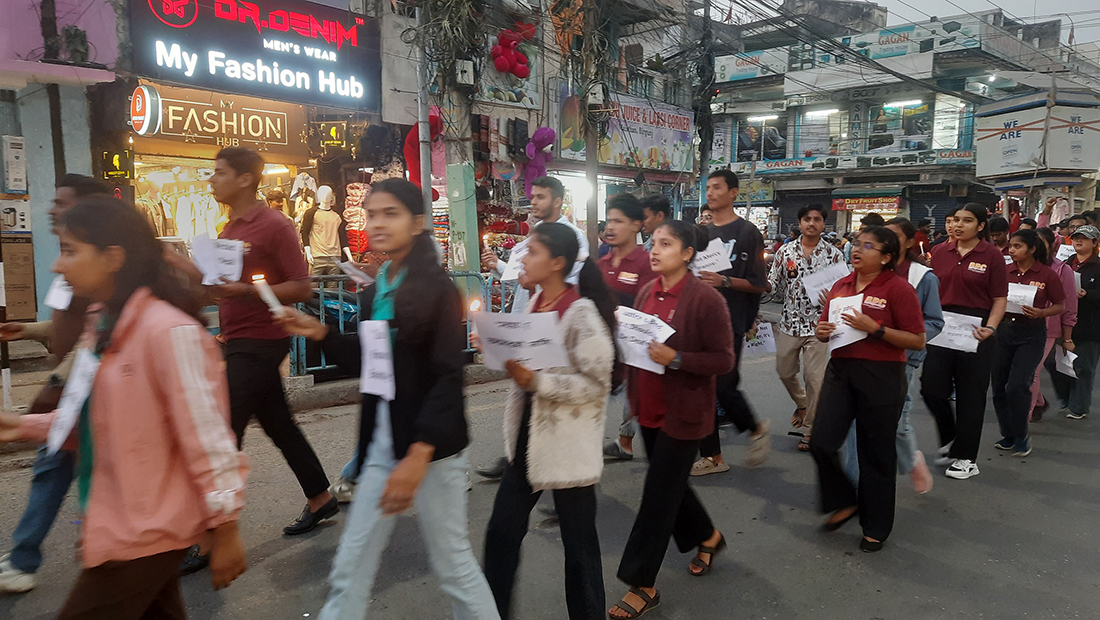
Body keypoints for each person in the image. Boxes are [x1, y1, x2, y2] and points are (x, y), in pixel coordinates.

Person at [0, 196, 249, 616]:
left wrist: (226, 529)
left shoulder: (168, 332)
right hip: (120, 524)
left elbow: (208, 439)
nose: (57, 265)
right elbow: (98, 417)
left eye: (69, 251)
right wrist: (21, 426)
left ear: (113, 257)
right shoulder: (103, 325)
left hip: (147, 532)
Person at [276, 179, 499, 619]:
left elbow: (447, 377)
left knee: (453, 567)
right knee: (351, 565)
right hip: (381, 442)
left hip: (432, 452)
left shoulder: (437, 288)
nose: (377, 223)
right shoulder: (378, 285)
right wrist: (319, 332)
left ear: (417, 223)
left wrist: (418, 454)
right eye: (372, 214)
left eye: (390, 214)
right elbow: (372, 358)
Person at [483, 222, 616, 620]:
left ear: (557, 262)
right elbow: (525, 365)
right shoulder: (536, 303)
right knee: (501, 535)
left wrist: (539, 382)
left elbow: (598, 383)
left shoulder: (580, 314)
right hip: (526, 443)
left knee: (580, 550)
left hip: (567, 451)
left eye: (533, 252)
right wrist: (494, 345)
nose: (523, 258)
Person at [202, 148, 335, 542]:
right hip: (238, 338)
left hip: (262, 340)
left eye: (220, 172)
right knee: (279, 425)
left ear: (245, 178)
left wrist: (246, 291)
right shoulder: (228, 229)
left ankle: (213, 534)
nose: (212, 180)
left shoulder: (275, 225)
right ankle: (321, 497)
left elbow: (301, 286)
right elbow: (225, 287)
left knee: (225, 431)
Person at [609, 221, 733, 619]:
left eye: (666, 244)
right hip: (648, 406)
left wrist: (677, 358)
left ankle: (642, 582)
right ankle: (707, 536)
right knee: (670, 484)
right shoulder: (648, 291)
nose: (655, 250)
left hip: (684, 413)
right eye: (654, 242)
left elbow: (723, 359)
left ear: (687, 253)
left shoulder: (706, 299)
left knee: (658, 494)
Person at [0, 175, 108, 594]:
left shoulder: (96, 261)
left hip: (85, 388)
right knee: (58, 467)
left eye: (61, 203)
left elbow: (96, 332)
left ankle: (25, 558)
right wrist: (26, 330)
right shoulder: (71, 257)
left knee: (62, 467)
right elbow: (66, 325)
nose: (50, 209)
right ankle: (25, 557)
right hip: (73, 387)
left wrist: (56, 380)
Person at [812, 226, 926, 553]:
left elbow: (917, 339)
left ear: (887, 257)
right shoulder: (841, 285)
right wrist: (822, 331)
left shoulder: (898, 289)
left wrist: (876, 328)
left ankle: (876, 526)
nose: (857, 250)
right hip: (841, 371)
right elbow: (824, 329)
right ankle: (846, 500)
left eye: (867, 246)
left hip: (882, 376)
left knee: (875, 454)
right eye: (856, 244)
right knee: (821, 442)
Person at [476, 176, 589, 480]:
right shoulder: (533, 236)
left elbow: (570, 282)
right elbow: (519, 274)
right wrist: (498, 266)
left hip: (553, 326)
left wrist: (536, 282)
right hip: (529, 319)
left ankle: (547, 466)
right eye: (533, 196)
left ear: (557, 201)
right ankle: (519, 458)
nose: (534, 202)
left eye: (541, 197)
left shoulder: (572, 237)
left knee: (548, 396)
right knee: (527, 394)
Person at [842, 218, 943, 494]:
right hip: (860, 359)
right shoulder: (863, 273)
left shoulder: (922, 278)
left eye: (893, 236)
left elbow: (934, 322)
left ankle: (910, 459)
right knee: (854, 422)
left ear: (909, 242)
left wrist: (900, 340)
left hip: (902, 361)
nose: (884, 240)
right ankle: (854, 484)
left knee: (896, 424)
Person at [922, 203, 1008, 480]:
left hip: (976, 330)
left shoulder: (992, 256)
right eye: (956, 219)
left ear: (981, 226)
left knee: (971, 396)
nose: (958, 225)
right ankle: (952, 438)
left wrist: (991, 327)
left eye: (967, 220)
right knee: (931, 388)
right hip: (942, 327)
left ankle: (967, 458)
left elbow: (999, 298)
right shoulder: (939, 251)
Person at [692, 169, 770, 475]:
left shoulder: (748, 232)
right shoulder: (701, 233)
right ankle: (713, 457)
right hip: (700, 318)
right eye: (708, 187)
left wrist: (724, 281)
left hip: (731, 320)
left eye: (717, 187)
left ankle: (755, 427)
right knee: (703, 389)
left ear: (733, 192)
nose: (710, 193)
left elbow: (759, 284)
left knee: (724, 385)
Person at [768, 203, 844, 452]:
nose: (812, 223)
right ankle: (802, 404)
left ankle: (810, 430)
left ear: (823, 224)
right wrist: (759, 282)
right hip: (789, 323)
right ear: (800, 223)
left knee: (815, 379)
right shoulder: (785, 251)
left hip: (819, 327)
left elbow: (845, 289)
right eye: (807, 219)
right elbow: (774, 284)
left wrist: (833, 299)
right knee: (784, 371)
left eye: (817, 219)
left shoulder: (834, 254)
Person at [991, 229, 1065, 457]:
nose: (1012, 251)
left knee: (1017, 386)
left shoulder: (1047, 274)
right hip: (1004, 332)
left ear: (1032, 249)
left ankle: (1021, 434)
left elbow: (1060, 305)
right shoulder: (1005, 272)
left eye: (1017, 246)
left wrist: (1041, 312)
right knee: (999, 386)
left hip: (1031, 335)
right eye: (1011, 246)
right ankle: (1008, 434)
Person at [600, 193, 658, 461]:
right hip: (602, 349)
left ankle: (627, 442)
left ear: (636, 225)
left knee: (635, 398)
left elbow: (649, 310)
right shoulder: (600, 263)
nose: (610, 227)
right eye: (609, 221)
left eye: (618, 221)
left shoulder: (647, 263)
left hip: (634, 348)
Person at [1048, 225, 1100, 420]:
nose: (1078, 241)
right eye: (1076, 237)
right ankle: (1066, 399)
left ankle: (1079, 407)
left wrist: (1088, 295)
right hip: (1063, 322)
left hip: (1089, 325)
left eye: (1084, 238)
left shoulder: (1097, 266)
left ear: (1095, 243)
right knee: (1056, 364)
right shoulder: (1065, 264)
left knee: (1083, 367)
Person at [1030, 227, 1076, 422]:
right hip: (1018, 327)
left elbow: (1069, 306)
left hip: (1048, 329)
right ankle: (1038, 402)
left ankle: (1021, 423)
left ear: (1051, 245)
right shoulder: (1021, 266)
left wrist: (1067, 338)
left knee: (1031, 372)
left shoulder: (1062, 270)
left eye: (1040, 242)